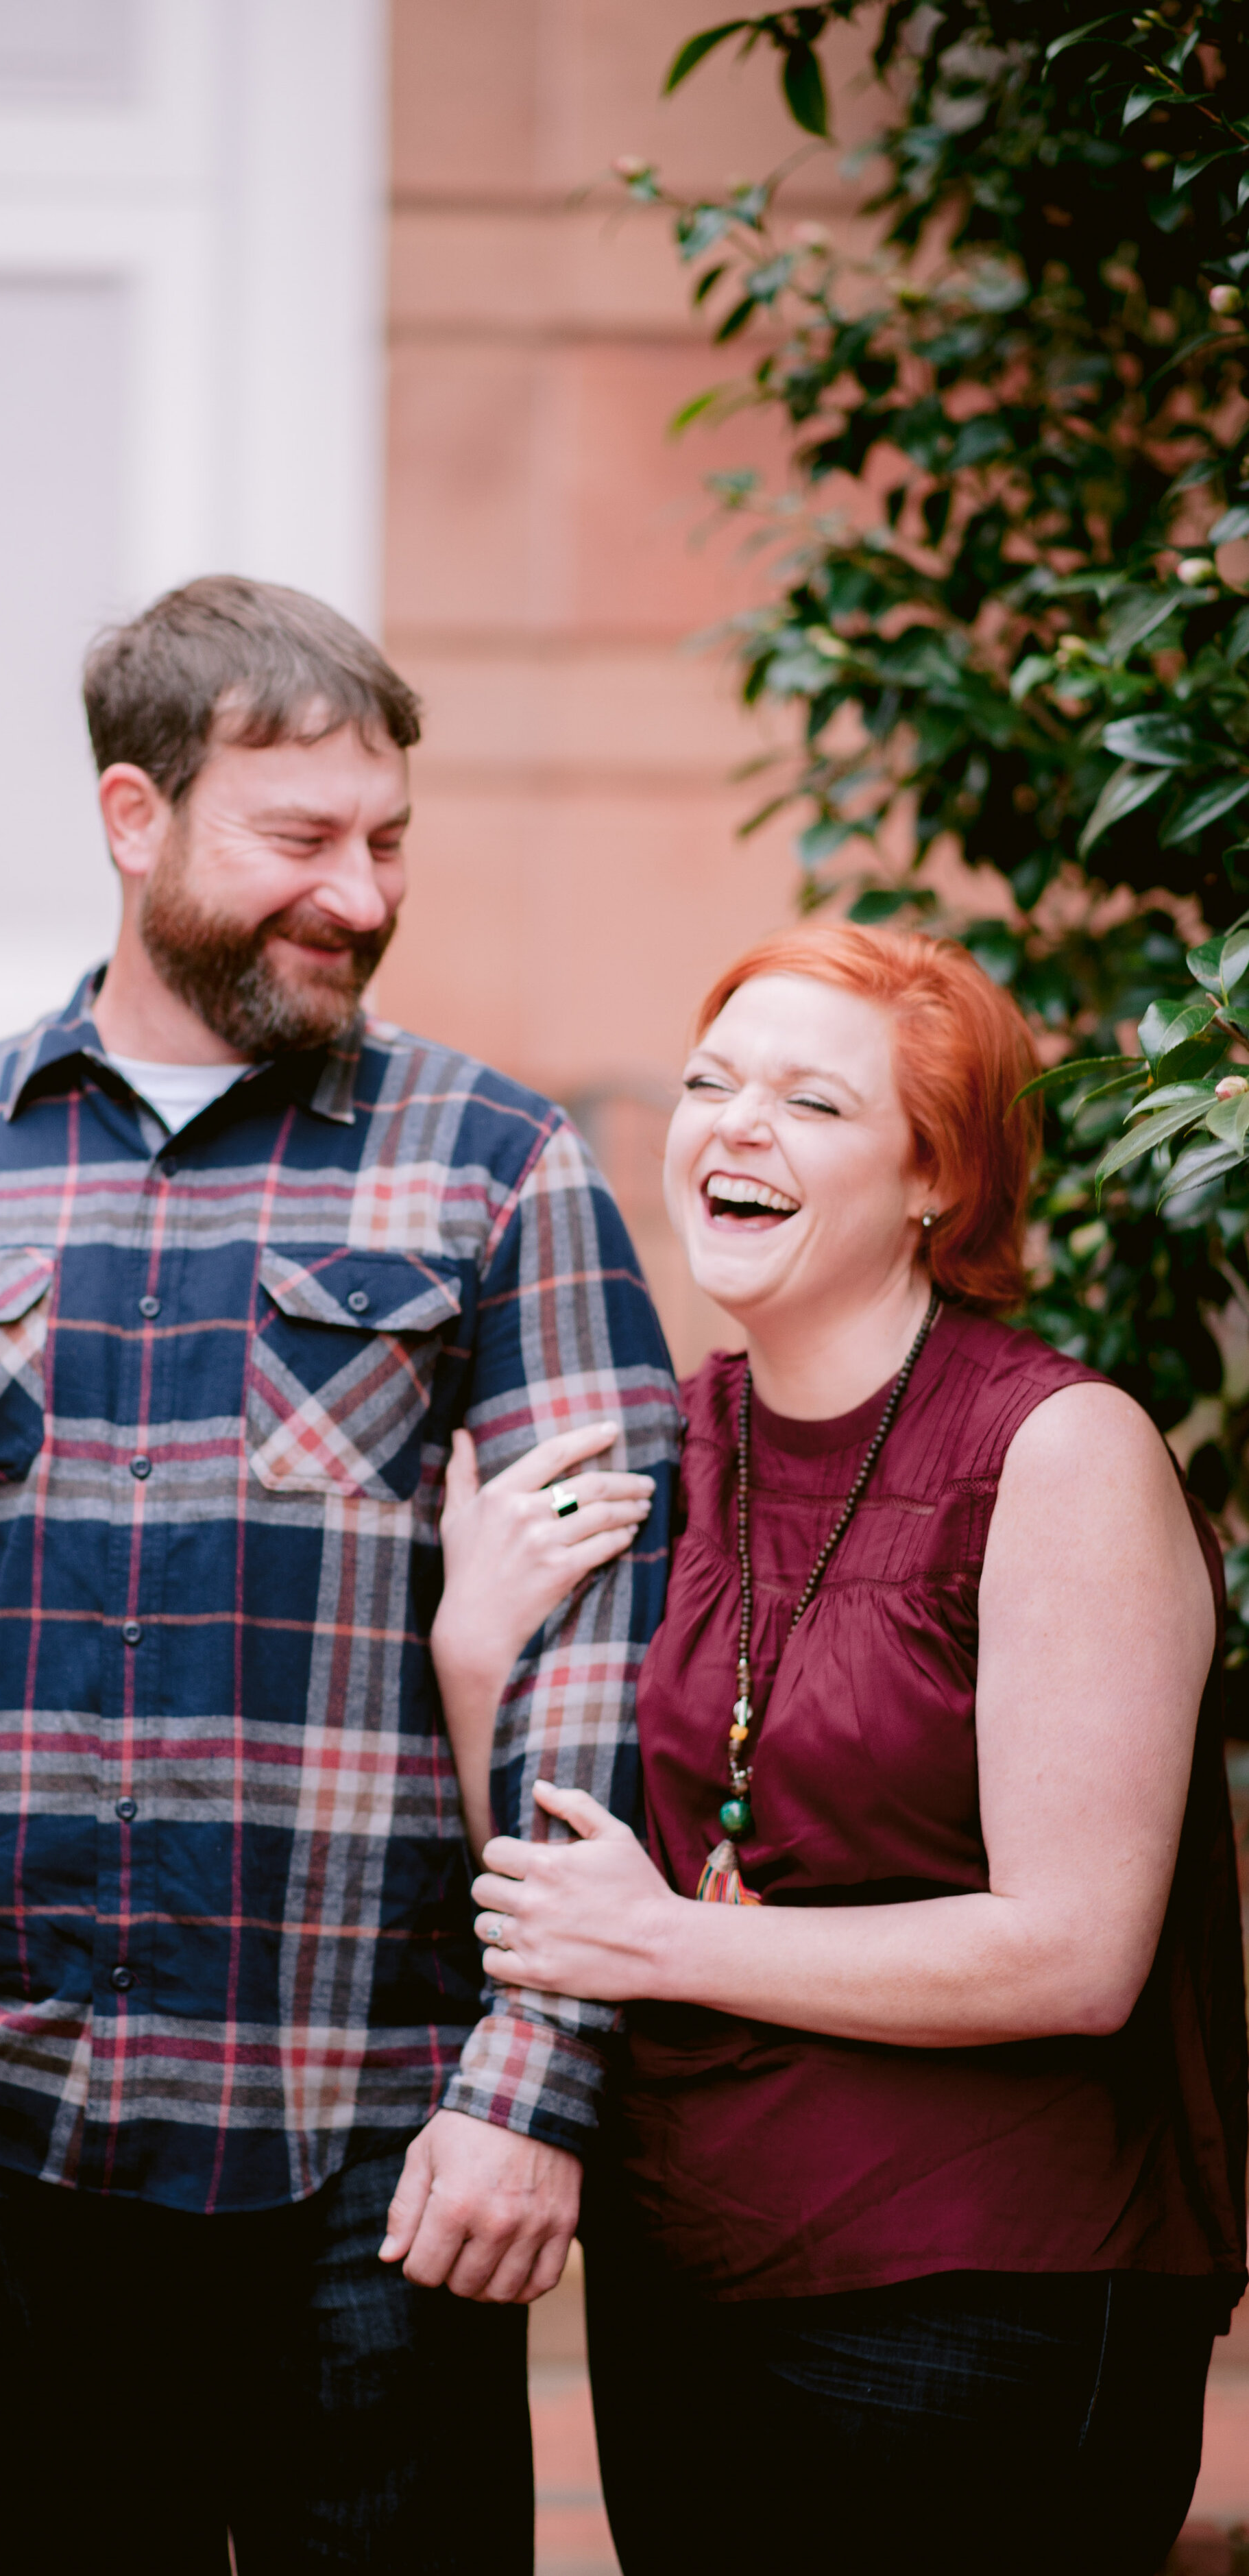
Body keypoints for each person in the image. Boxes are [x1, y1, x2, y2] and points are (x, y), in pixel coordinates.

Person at [0, 575, 680, 2575]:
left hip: (378, 2143)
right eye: (298, 839)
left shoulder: (497, 1164)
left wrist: (532, 2073)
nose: (360, 893)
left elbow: (598, 1641)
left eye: (386, 839)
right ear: (134, 818)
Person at [431, 924, 1247, 2576]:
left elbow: (1073, 1952)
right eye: (710, 1083)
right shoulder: (665, 1438)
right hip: (685, 2278)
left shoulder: (1055, 1452)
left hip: (986, 2295)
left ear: (933, 1177)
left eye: (810, 1103)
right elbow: (567, 1887)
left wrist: (671, 1940)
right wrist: (470, 1655)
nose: (732, 1128)